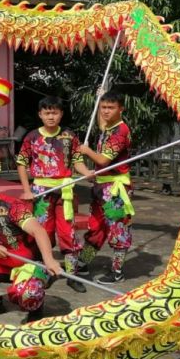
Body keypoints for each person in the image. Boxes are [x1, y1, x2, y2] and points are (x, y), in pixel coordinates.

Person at [0, 172, 63, 322]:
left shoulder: (12, 206)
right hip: (1, 262)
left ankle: (35, 307)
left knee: (27, 294)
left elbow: (37, 230)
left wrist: (49, 259)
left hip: (27, 264)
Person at [16, 96, 92, 293]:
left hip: (65, 191)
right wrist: (26, 190)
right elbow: (22, 163)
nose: (51, 116)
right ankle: (47, 271)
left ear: (61, 114)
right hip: (41, 191)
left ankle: (71, 274)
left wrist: (87, 173)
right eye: (47, 113)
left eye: (55, 112)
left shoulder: (69, 136)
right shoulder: (32, 137)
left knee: (68, 232)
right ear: (40, 115)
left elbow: (77, 161)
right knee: (44, 232)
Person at [76, 91, 134, 284]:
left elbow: (103, 159)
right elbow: (100, 121)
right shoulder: (108, 126)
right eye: (103, 107)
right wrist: (98, 96)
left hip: (115, 188)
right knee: (96, 226)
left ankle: (117, 272)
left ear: (121, 109)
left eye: (111, 108)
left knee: (117, 228)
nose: (106, 111)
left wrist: (86, 151)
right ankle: (83, 263)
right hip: (101, 185)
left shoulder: (120, 131)